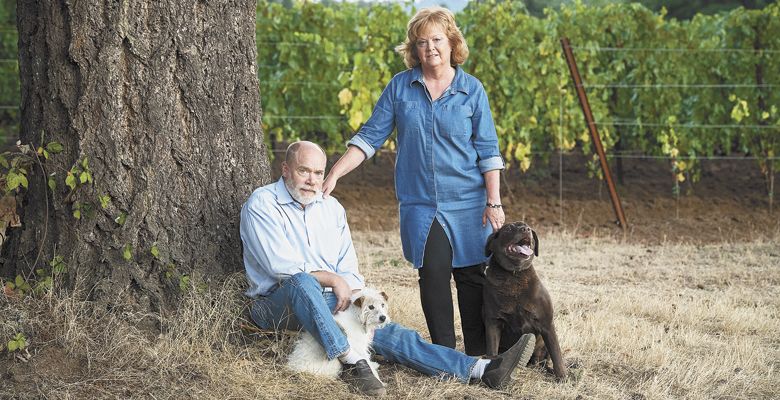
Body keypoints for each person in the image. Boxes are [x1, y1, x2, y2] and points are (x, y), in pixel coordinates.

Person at [240, 141, 534, 396]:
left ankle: (480, 369)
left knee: (392, 333)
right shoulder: (263, 203)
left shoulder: (331, 208)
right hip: (276, 304)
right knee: (303, 283)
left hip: (332, 298)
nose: (312, 180)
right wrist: (332, 279)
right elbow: (282, 268)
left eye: (318, 173)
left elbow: (349, 269)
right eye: (304, 171)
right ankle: (353, 361)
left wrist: (355, 298)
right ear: (285, 169)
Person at [322, 7, 504, 356]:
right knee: (433, 274)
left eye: (437, 40)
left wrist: (493, 202)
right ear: (413, 49)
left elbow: (488, 151)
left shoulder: (472, 90)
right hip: (421, 204)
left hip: (468, 201)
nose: (430, 48)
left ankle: (480, 354)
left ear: (452, 43)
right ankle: (446, 355)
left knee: (470, 278)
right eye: (421, 42)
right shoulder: (400, 87)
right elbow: (369, 137)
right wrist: (334, 174)